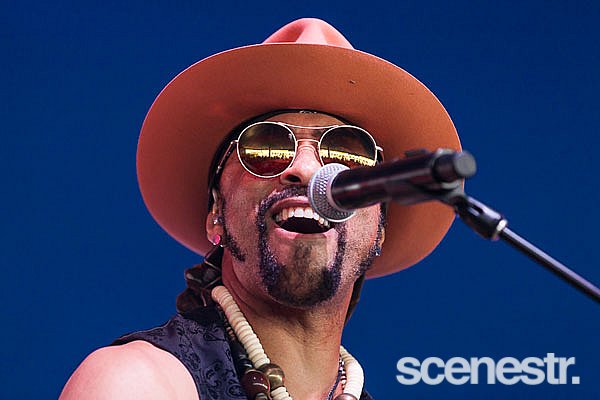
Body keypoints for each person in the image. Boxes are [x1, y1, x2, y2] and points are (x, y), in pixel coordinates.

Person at [60, 18, 460, 400]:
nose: (306, 170)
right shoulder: (137, 382)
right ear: (216, 213)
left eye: (346, 153)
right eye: (267, 147)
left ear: (379, 228)